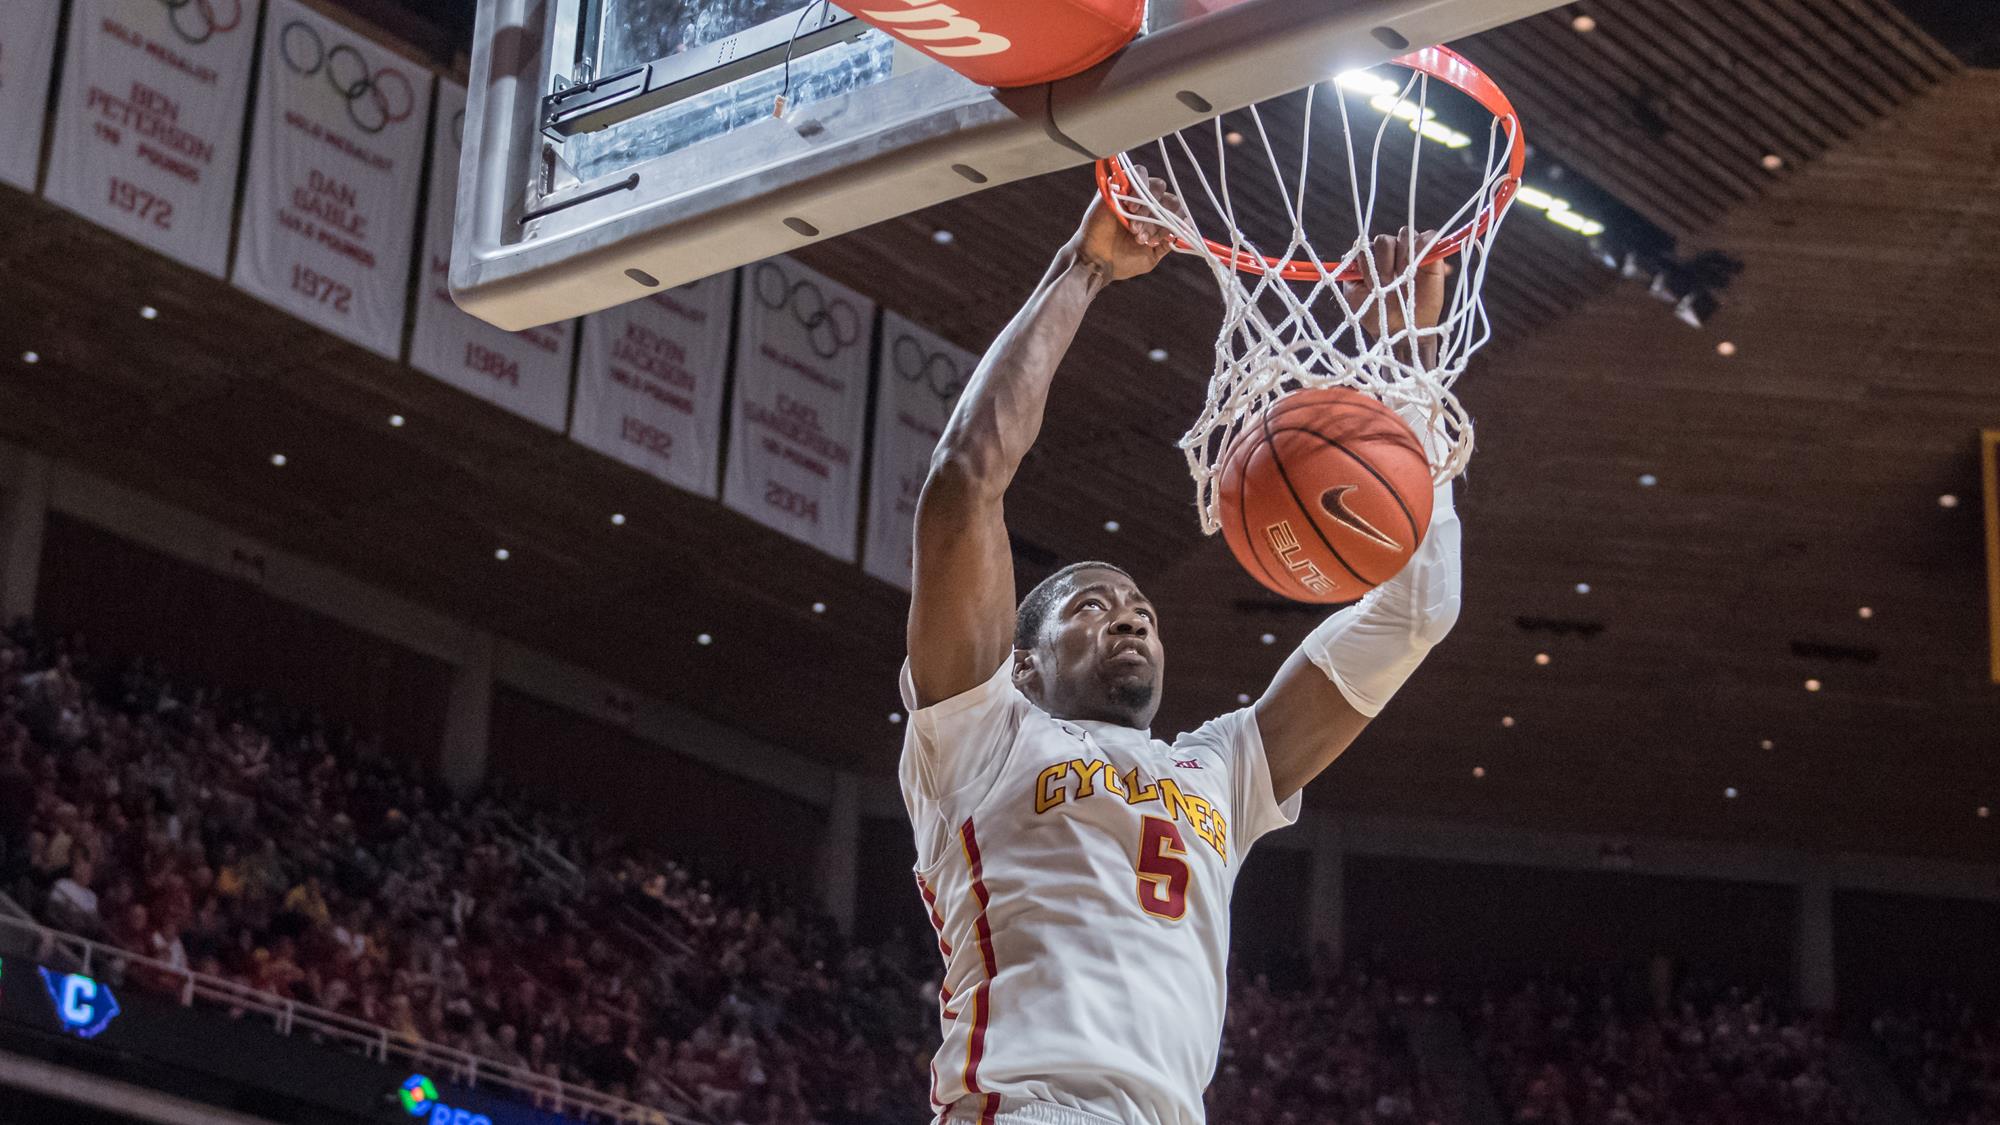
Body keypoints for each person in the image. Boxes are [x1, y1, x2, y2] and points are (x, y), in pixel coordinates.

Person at [900, 182, 1463, 1125]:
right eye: (1090, 605)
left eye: (1142, 608)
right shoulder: (983, 739)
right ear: (1024, 666)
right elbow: (963, 483)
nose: (1129, 617)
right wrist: (1081, 268)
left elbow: (1417, 611)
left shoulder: (1218, 768)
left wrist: (1408, 361)